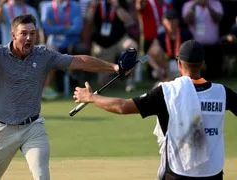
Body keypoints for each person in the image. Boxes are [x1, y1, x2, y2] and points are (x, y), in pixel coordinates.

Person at [0, 14, 130, 180]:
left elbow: (79, 61)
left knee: (42, 176)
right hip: (2, 130)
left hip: (33, 128)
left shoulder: (43, 55)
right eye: (24, 34)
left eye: (32, 34)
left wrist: (113, 67)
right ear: (13, 35)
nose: (29, 38)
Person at [73, 40, 237, 180]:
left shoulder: (166, 92)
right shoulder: (222, 92)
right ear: (203, 64)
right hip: (213, 173)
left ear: (179, 63)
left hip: (178, 173)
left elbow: (122, 107)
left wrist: (91, 97)